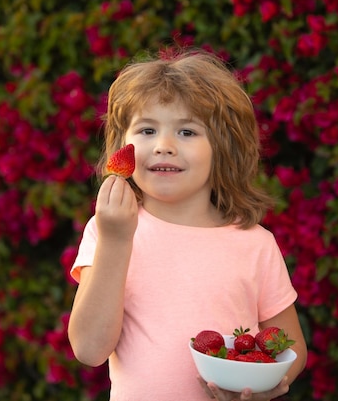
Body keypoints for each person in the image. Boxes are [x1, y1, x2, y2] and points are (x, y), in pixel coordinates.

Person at [67, 49, 307, 401]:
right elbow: (89, 349)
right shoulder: (109, 230)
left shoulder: (255, 244)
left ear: (222, 147)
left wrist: (265, 387)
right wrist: (117, 241)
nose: (164, 146)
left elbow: (291, 347)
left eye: (187, 132)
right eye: (147, 129)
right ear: (123, 146)